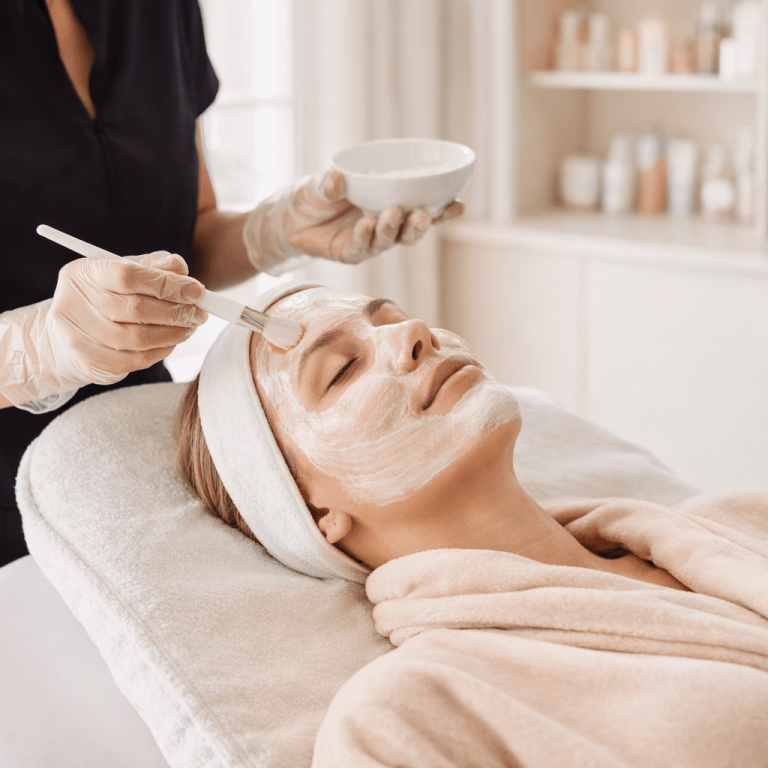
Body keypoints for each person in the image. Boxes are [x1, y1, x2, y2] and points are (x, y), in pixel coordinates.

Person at [177, 282, 768, 767]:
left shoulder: (738, 522)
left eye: (395, 318)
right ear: (311, 513)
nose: (413, 334)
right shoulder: (404, 717)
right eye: (341, 370)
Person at [0, 0, 463, 566]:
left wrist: (279, 229)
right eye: (337, 370)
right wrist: (37, 348)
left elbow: (185, 246)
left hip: (134, 465)